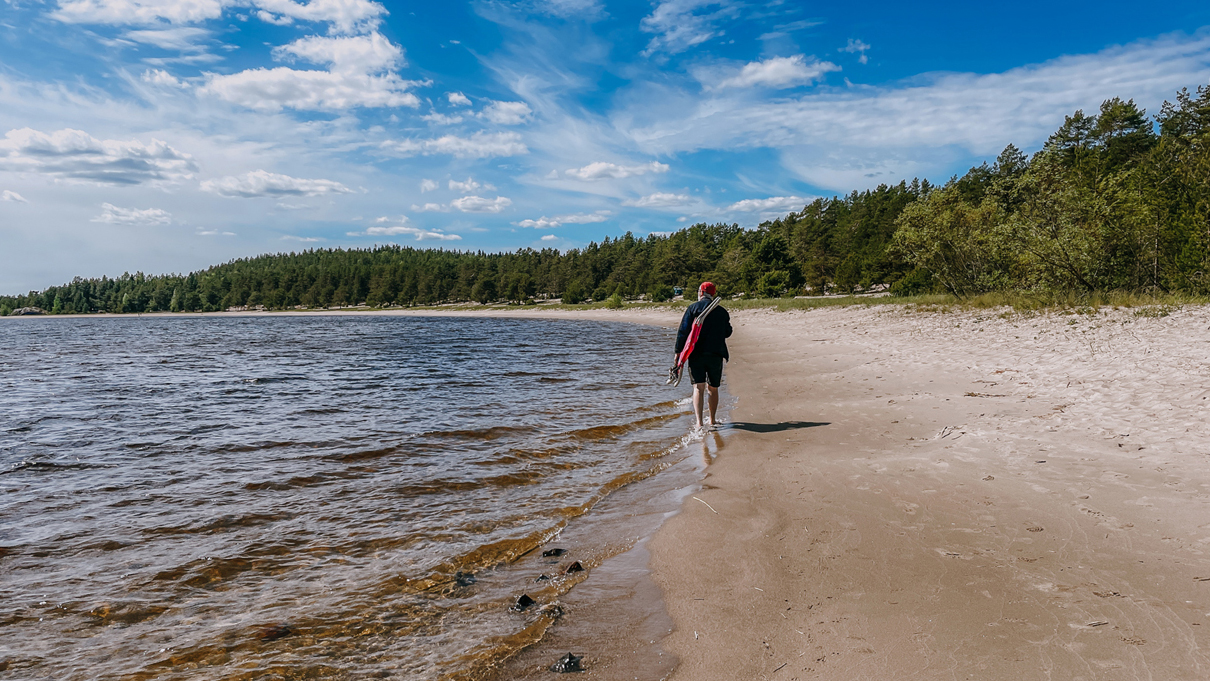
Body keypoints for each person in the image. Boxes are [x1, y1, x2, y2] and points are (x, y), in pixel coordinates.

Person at [674, 282, 732, 430]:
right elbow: (728, 332)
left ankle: (699, 423)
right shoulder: (722, 312)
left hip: (696, 354)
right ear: (712, 294)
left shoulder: (692, 308)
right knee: (713, 388)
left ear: (700, 292)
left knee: (698, 387)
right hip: (716, 354)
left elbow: (683, 332)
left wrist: (678, 353)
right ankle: (712, 421)